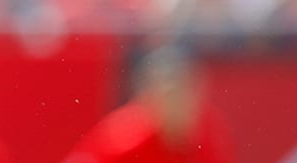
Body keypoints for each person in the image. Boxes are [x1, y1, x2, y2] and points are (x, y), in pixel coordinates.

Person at [63, 46, 232, 163]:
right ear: (148, 97)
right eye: (170, 95)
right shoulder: (126, 136)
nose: (179, 103)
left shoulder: (207, 133)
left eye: (187, 90)